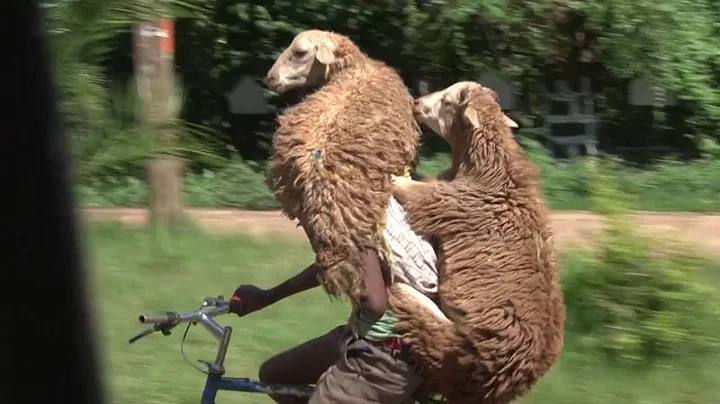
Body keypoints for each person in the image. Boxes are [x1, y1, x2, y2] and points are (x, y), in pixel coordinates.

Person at [230, 198, 439, 403]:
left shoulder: (358, 216)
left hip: (386, 354)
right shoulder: (355, 209)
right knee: (274, 376)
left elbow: (375, 303)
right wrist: (269, 296)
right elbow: (332, 264)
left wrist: (354, 274)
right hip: (357, 337)